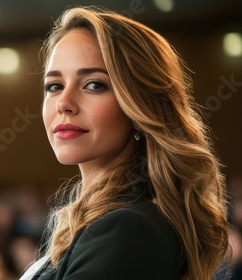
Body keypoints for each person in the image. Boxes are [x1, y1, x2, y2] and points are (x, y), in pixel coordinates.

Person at [19, 6, 229, 280]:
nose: (64, 103)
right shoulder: (113, 219)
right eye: (54, 86)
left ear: (139, 106)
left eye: (94, 85)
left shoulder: (127, 227)